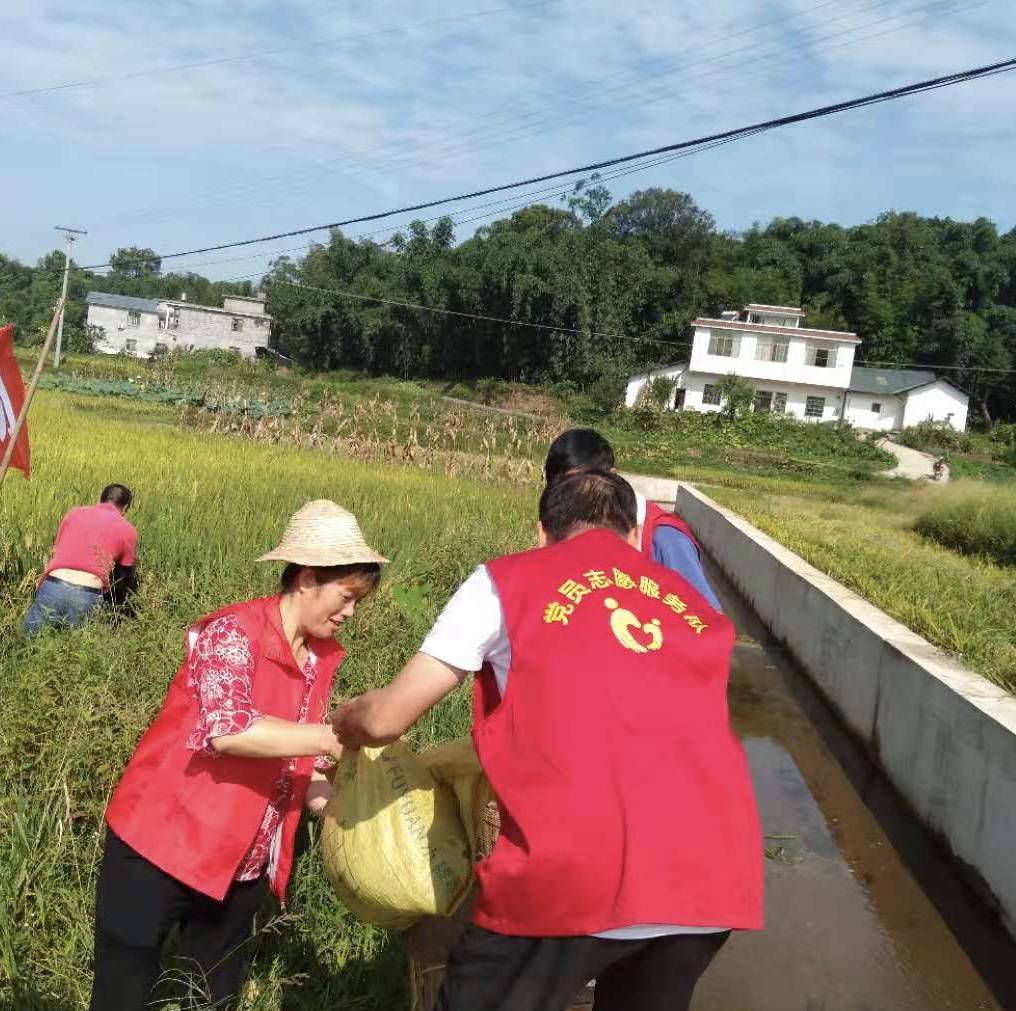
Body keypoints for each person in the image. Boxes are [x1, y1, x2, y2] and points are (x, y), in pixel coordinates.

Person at [333, 472, 763, 1011]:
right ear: (634, 535)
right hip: (712, 876)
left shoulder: (506, 581)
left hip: (573, 872)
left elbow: (386, 720)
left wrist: (348, 719)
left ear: (540, 533)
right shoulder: (695, 609)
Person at [88, 500, 387, 1011]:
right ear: (307, 577)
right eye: (346, 595)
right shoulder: (233, 633)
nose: (351, 611)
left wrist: (343, 812)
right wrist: (328, 738)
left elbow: (296, 761)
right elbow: (229, 731)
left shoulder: (319, 657)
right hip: (162, 845)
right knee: (124, 993)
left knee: (212, 997)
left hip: (241, 864)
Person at [544, 428, 722, 610]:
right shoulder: (562, 523)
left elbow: (707, 621)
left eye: (578, 487)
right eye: (560, 492)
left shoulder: (666, 542)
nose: (569, 500)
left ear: (612, 476)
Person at [22, 483, 138, 635]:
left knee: (29, 644)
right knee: (75, 650)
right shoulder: (128, 530)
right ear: (125, 508)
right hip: (87, 593)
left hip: (53, 585)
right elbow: (123, 577)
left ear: (100, 499)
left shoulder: (74, 513)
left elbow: (57, 548)